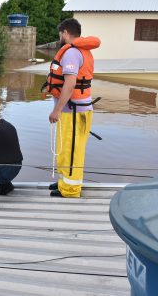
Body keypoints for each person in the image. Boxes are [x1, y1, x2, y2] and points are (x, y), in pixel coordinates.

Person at [43, 18, 101, 198]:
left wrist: (57, 110)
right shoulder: (81, 51)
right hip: (74, 111)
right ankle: (64, 182)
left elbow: (70, 84)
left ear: (65, 33)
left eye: (60, 34)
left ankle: (70, 190)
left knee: (72, 151)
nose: (60, 37)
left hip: (73, 111)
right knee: (66, 148)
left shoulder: (71, 53)